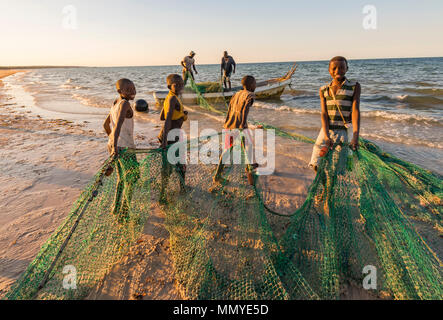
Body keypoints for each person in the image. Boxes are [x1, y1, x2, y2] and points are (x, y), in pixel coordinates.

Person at [309, 56, 361, 172]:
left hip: (342, 133)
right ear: (329, 70)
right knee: (317, 163)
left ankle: (329, 188)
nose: (337, 71)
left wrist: (355, 137)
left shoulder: (354, 86)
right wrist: (326, 136)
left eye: (342, 68)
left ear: (347, 68)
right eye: (334, 68)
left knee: (335, 168)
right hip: (325, 132)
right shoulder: (324, 89)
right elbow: (324, 114)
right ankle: (323, 187)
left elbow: (355, 111)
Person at [103, 78, 140, 222]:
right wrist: (117, 145)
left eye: (134, 89)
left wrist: (112, 142)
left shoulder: (115, 104)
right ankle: (124, 213)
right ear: (120, 91)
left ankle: (116, 207)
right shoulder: (124, 104)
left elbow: (106, 125)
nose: (133, 92)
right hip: (124, 148)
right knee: (132, 178)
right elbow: (117, 125)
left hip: (115, 145)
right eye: (129, 90)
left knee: (121, 178)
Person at [213, 75, 260, 184]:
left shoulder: (237, 93)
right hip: (239, 126)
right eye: (255, 83)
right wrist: (243, 124)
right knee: (248, 146)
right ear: (251, 85)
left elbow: (230, 109)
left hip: (229, 125)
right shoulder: (250, 94)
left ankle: (217, 175)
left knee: (227, 151)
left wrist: (228, 123)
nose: (256, 85)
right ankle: (250, 173)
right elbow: (245, 109)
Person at [158, 74, 189, 202]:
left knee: (177, 164)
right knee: (171, 167)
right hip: (171, 137)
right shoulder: (172, 99)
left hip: (173, 135)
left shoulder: (171, 97)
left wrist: (182, 114)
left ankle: (181, 188)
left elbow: (162, 116)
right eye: (177, 85)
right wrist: (165, 141)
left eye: (182, 84)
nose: (180, 86)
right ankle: (163, 195)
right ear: (169, 86)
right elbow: (167, 120)